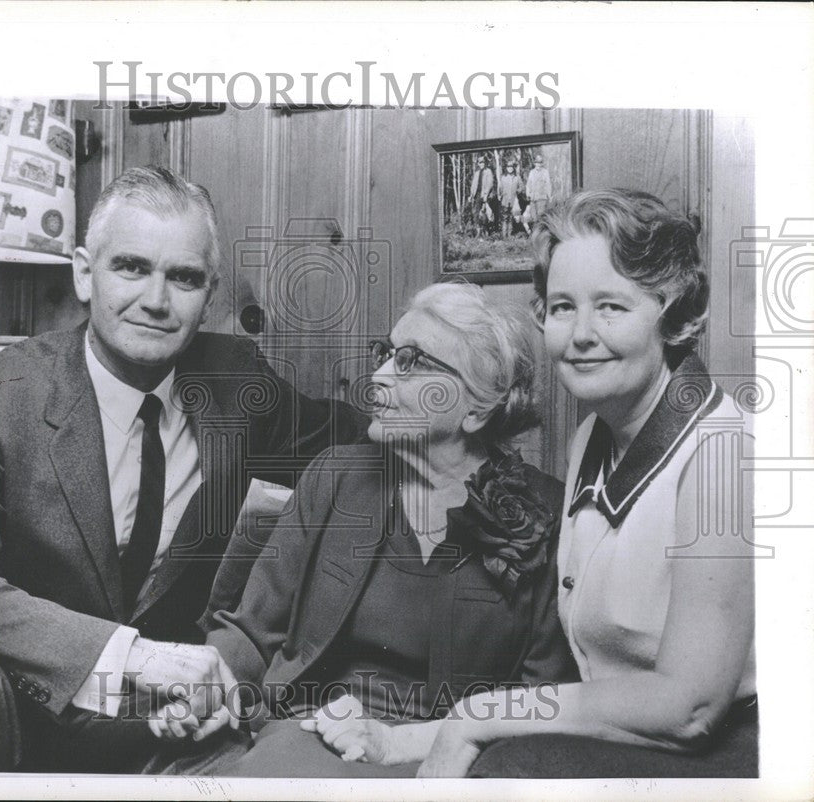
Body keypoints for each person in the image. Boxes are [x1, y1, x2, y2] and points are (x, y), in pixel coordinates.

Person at [332, 188, 758, 778]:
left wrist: (476, 718)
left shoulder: (723, 456)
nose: (580, 334)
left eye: (610, 306)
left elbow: (690, 706)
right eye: (561, 307)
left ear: (675, 315)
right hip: (625, 737)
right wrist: (412, 738)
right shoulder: (591, 436)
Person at [0, 166, 367, 772]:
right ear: (85, 274)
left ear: (211, 294)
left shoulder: (239, 381)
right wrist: (136, 659)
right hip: (30, 742)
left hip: (186, 741)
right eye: (131, 267)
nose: (157, 301)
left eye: (184, 278)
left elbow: (353, 433)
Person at [145, 282, 579, 777]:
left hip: (455, 759)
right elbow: (252, 630)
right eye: (386, 353)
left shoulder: (546, 512)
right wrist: (208, 687)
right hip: (314, 735)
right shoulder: (336, 478)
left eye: (411, 361)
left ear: (477, 407)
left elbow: (544, 697)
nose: (378, 377)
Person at [498, 161, 523, 238]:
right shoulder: (503, 177)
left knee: (511, 218)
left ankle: (509, 235)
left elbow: (521, 187)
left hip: (513, 201)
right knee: (505, 218)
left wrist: (517, 192)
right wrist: (500, 195)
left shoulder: (517, 177)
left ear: (513, 168)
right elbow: (500, 188)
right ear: (506, 168)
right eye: (508, 167)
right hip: (505, 201)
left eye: (511, 167)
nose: (510, 169)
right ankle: (504, 236)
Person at [525, 153, 552, 221]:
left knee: (540, 216)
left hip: (541, 198)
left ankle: (540, 231)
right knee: (533, 217)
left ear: (542, 164)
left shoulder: (545, 172)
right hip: (533, 198)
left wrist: (549, 196)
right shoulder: (531, 172)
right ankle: (535, 230)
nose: (538, 165)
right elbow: (528, 184)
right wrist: (528, 194)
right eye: (537, 163)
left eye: (540, 163)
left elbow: (548, 184)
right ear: (535, 163)